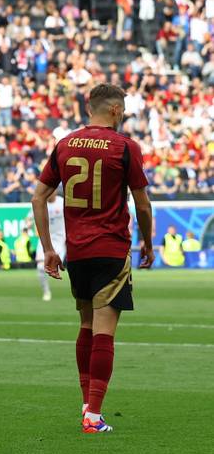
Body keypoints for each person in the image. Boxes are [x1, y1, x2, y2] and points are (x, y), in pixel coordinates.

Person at [33, 82, 154, 434]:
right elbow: (143, 204)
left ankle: (87, 405)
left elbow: (38, 198)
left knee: (86, 325)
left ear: (89, 109)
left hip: (77, 252)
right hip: (111, 249)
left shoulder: (64, 145)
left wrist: (49, 249)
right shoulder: (125, 147)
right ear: (115, 110)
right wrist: (148, 243)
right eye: (124, 109)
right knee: (104, 332)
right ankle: (94, 416)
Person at [26, 191, 66, 301]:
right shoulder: (41, 203)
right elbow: (29, 218)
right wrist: (28, 224)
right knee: (40, 267)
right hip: (44, 239)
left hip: (60, 240)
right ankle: (46, 291)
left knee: (58, 266)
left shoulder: (62, 202)